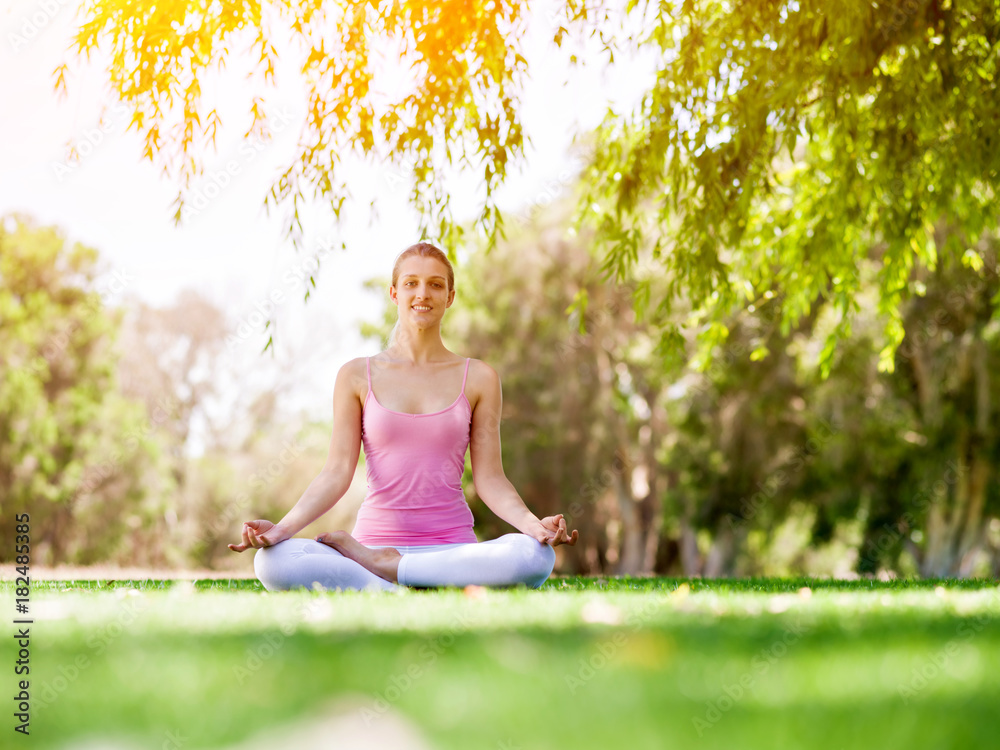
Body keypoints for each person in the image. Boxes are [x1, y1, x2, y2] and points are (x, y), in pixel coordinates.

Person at [229, 241, 579, 591]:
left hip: (452, 549)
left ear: (450, 296)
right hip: (370, 545)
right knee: (273, 562)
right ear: (395, 293)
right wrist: (282, 529)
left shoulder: (479, 377)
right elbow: (336, 472)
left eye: (435, 284)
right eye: (411, 282)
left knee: (535, 557)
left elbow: (490, 479)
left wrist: (533, 525)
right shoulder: (355, 375)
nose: (422, 293)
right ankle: (406, 577)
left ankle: (391, 573)